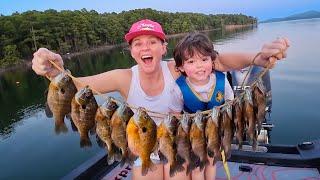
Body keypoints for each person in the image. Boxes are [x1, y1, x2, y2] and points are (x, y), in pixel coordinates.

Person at [32, 19, 289, 180]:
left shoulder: (175, 68)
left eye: (152, 41)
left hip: (180, 143)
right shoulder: (123, 77)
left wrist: (257, 57)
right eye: (138, 43)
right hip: (144, 147)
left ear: (164, 47)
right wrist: (54, 67)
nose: (145, 48)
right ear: (131, 51)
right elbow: (75, 85)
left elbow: (219, 61)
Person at [170, 32, 234, 179]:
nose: (199, 66)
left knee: (211, 162)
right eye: (191, 62)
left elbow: (230, 103)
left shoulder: (222, 81)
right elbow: (175, 116)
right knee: (198, 167)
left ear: (212, 61)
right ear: (181, 67)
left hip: (215, 133)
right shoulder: (178, 88)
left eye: (204, 59)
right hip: (193, 137)